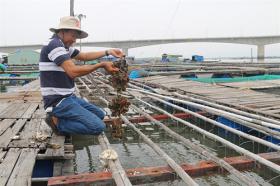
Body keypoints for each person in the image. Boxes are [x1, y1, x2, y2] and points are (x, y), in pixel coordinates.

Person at [40, 16, 124, 135]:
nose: (74, 40)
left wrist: (108, 51)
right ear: (62, 31)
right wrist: (101, 65)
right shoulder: (54, 45)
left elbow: (84, 56)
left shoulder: (64, 46)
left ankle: (65, 118)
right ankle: (58, 123)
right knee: (98, 127)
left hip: (68, 97)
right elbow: (73, 71)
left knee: (100, 114)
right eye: (73, 36)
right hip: (57, 101)